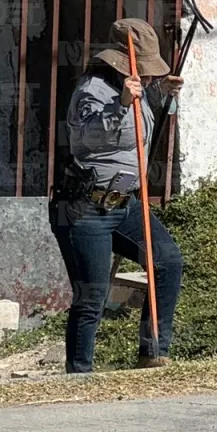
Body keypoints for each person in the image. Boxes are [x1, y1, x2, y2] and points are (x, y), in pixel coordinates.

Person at [49, 18, 185, 373]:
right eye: (148, 70)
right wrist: (121, 104)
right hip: (85, 207)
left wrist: (166, 97)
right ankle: (80, 375)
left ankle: (153, 352)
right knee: (92, 296)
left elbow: (145, 131)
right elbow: (86, 140)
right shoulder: (92, 91)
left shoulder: (143, 90)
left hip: (125, 205)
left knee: (166, 261)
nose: (152, 76)